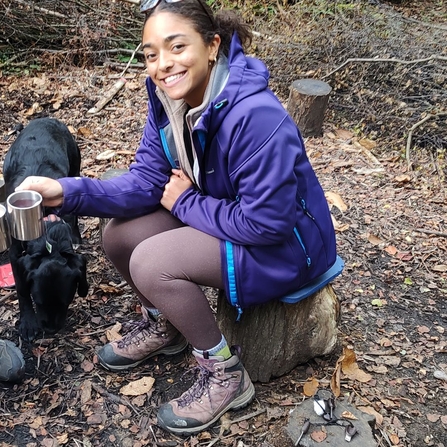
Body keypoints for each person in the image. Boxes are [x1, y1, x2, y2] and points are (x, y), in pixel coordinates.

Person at [16, 0, 337, 435]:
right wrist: (67, 192)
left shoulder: (255, 117)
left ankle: (226, 375)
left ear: (211, 45)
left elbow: (267, 225)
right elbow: (145, 182)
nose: (163, 65)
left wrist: (186, 204)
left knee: (152, 262)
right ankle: (166, 325)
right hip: (226, 217)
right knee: (119, 237)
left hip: (285, 251)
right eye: (151, 54)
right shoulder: (172, 102)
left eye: (176, 46)